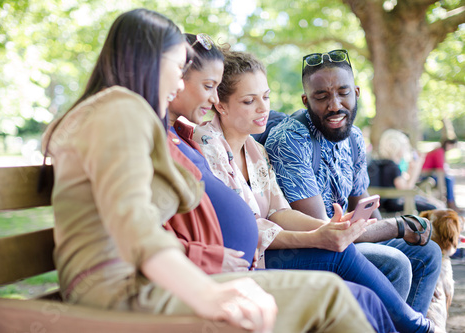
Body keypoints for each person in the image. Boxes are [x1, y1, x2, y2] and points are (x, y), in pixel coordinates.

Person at [40, 9, 375, 333]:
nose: (180, 79)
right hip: (122, 290)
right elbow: (132, 221)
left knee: (333, 293)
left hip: (132, 281)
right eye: (178, 66)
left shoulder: (109, 114)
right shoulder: (122, 108)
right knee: (330, 295)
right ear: (150, 61)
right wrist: (207, 293)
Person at [165, 34, 396, 332]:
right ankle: (415, 327)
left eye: (266, 96)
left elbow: (278, 211)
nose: (264, 109)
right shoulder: (205, 145)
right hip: (246, 262)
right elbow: (248, 223)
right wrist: (316, 237)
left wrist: (323, 227)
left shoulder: (256, 150)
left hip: (260, 255)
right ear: (219, 104)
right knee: (349, 262)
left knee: (389, 265)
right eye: (250, 101)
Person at [264, 49, 441, 316]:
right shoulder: (290, 141)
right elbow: (327, 231)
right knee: (393, 262)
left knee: (428, 253)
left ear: (356, 92)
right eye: (321, 97)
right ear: (306, 100)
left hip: (346, 240)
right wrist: (397, 226)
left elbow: (365, 205)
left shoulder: (355, 138)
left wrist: (391, 231)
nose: (334, 105)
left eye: (343, 93)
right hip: (310, 247)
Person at [368, 129, 441, 212]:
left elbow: (403, 183)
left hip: (385, 202)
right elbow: (406, 190)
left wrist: (411, 169)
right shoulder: (393, 167)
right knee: (435, 208)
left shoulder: (383, 163)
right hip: (393, 203)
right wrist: (417, 168)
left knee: (431, 203)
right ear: (397, 147)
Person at [422, 137, 463, 213]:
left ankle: (451, 202)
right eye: (452, 146)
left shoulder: (440, 151)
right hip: (426, 175)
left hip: (432, 173)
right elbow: (440, 168)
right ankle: (450, 203)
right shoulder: (439, 151)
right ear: (448, 144)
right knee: (449, 179)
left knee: (449, 178)